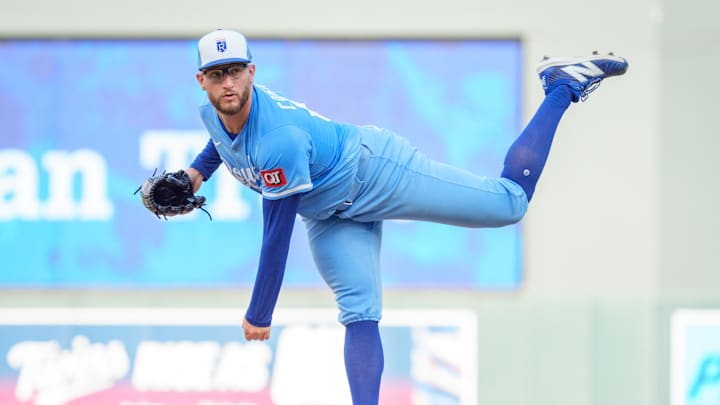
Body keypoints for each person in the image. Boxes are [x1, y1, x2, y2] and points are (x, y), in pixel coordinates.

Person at [185, 28, 628, 404]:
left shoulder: (278, 137)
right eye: (219, 74)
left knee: (509, 204)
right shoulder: (213, 112)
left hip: (375, 171)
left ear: (252, 73)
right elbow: (222, 144)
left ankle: (562, 86)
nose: (229, 83)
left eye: (237, 71)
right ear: (202, 80)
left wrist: (260, 312)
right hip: (330, 216)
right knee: (359, 313)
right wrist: (192, 178)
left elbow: (276, 234)